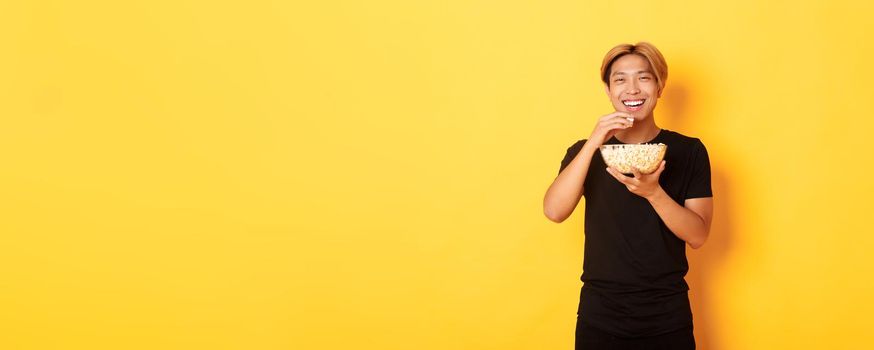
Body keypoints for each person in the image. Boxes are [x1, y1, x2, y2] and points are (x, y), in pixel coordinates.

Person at [542, 42, 713, 350]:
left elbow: (698, 235)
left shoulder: (690, 151)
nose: (632, 89)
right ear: (608, 89)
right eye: (620, 79)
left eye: (644, 78)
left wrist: (653, 193)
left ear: (660, 86)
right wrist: (595, 141)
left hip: (667, 314)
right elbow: (554, 211)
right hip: (601, 313)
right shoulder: (585, 152)